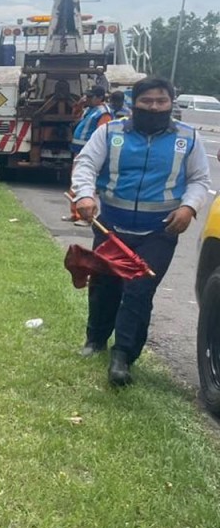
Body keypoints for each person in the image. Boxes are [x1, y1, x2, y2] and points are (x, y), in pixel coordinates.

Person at [70, 76, 212, 385]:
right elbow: (86, 165)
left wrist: (189, 208)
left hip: (159, 232)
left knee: (138, 290)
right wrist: (84, 194)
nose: (154, 106)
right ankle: (95, 340)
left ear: (172, 103)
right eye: (147, 101)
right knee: (104, 285)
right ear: (135, 103)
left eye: (162, 101)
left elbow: (200, 180)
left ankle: (123, 356)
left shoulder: (188, 139)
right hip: (111, 228)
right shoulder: (110, 132)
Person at [65, 86, 109, 226]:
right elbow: (75, 114)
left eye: (90, 97)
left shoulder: (103, 113)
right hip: (80, 152)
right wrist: (80, 103)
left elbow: (102, 136)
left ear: (100, 98)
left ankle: (87, 217)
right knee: (76, 183)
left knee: (88, 186)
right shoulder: (90, 109)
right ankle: (75, 214)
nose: (87, 99)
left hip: (90, 154)